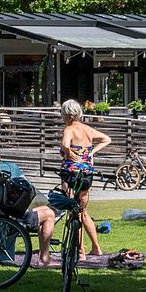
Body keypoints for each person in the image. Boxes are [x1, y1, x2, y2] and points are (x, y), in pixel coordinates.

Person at [58, 98, 109, 256]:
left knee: (74, 212)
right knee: (84, 212)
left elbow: (65, 144)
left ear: (65, 114)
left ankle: (81, 251)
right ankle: (96, 247)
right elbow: (107, 139)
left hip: (71, 174)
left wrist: (70, 153)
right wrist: (91, 153)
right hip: (87, 173)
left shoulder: (69, 129)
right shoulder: (88, 129)